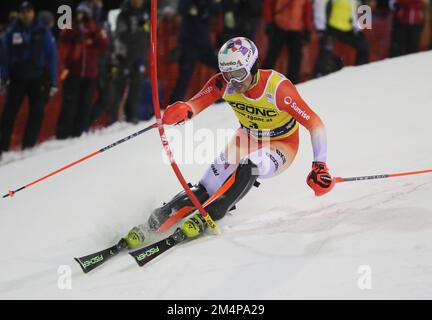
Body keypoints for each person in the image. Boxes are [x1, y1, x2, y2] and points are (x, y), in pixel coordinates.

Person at [124, 37, 335, 248]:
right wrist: (180, 111)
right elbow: (194, 105)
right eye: (228, 75)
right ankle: (153, 224)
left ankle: (213, 213)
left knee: (249, 167)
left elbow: (315, 124)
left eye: (239, 74)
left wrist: (319, 165)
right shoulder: (224, 83)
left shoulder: (277, 89)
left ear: (254, 67)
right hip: (247, 137)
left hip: (281, 143)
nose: (234, 82)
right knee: (206, 187)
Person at [0, 1, 57, 157]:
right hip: (17, 77)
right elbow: (3, 56)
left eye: (29, 11)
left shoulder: (42, 31)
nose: (26, 14)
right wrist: (2, 78)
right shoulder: (11, 31)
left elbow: (51, 56)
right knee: (8, 115)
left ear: (33, 12)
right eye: (23, 11)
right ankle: (2, 149)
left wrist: (53, 81)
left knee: (37, 112)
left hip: (37, 78)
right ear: (19, 13)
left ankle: (28, 147)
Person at [56, 2, 108, 139]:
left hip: (90, 74)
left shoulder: (95, 27)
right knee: (69, 105)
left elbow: (103, 44)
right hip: (73, 73)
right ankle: (62, 135)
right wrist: (76, 28)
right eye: (80, 13)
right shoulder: (71, 25)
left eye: (84, 14)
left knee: (85, 105)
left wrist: (90, 25)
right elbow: (63, 36)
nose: (81, 17)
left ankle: (78, 133)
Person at [169, 0, 222, 103]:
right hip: (188, 44)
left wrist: (204, 4)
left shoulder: (208, 4)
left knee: (221, 65)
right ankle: (174, 104)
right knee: (184, 76)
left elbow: (218, 9)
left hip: (204, 44)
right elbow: (182, 9)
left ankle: (221, 95)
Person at [109, 0, 151, 124]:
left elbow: (148, 34)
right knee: (119, 87)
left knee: (136, 86)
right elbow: (121, 35)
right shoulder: (125, 13)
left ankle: (131, 115)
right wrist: (138, 29)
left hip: (140, 54)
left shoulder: (145, 13)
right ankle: (113, 117)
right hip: (125, 56)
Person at [313, 0, 369, 78]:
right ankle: (319, 75)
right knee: (326, 52)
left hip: (347, 29)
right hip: (331, 28)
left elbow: (353, 12)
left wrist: (357, 29)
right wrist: (321, 27)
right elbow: (320, 6)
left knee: (363, 46)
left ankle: (360, 72)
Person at [263, 0, 314, 84]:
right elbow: (269, 4)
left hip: (295, 29)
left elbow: (307, 11)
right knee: (272, 55)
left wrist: (308, 30)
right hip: (280, 26)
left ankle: (291, 83)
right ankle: (263, 79)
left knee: (295, 58)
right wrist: (268, 22)